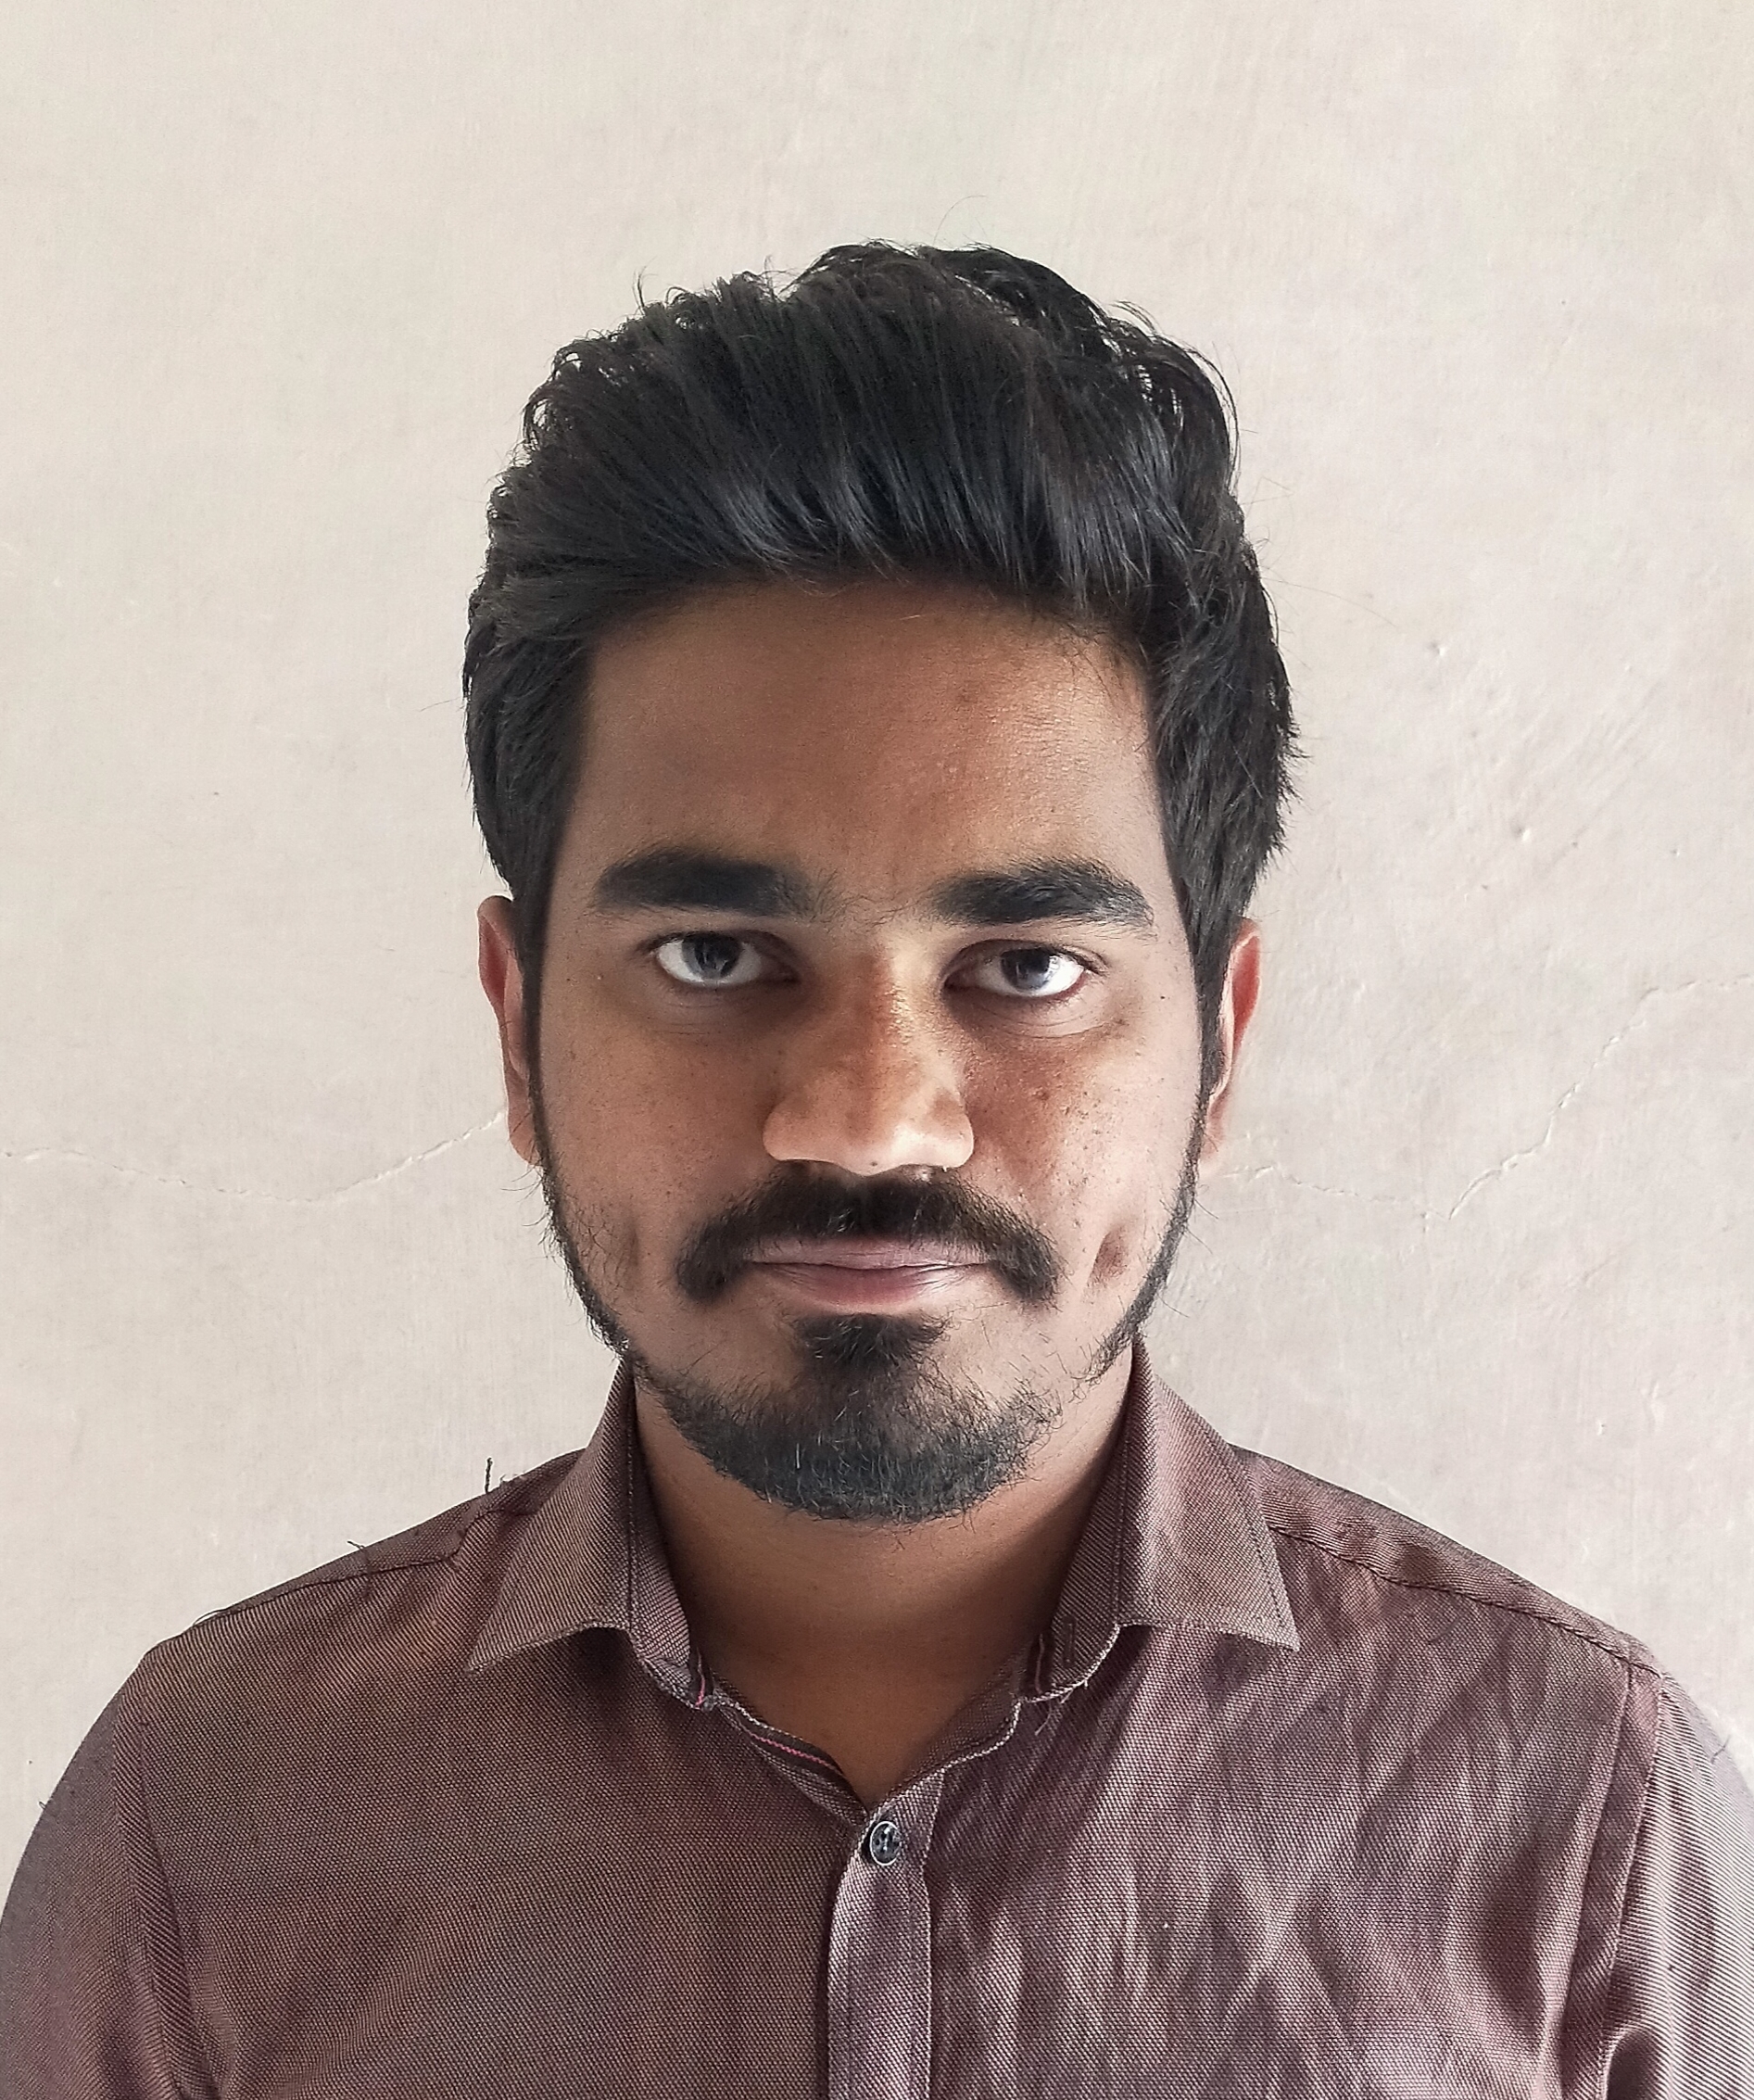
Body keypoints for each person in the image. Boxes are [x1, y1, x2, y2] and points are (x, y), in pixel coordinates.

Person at [3, 241, 1749, 2098]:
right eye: (712, 955)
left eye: (1026, 968)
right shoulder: (208, 1830)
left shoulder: (1579, 1826)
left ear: (1219, 1043)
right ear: (517, 1023)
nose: (865, 1118)